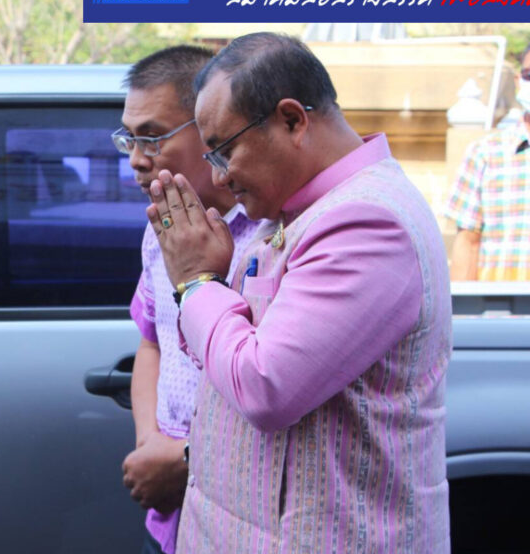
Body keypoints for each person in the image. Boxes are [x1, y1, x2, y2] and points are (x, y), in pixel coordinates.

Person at [147, 33, 451, 552]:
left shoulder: (367, 221)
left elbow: (264, 385)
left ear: (291, 119)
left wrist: (197, 282)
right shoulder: (295, 211)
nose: (218, 176)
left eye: (224, 149)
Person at [113, 46, 261, 554]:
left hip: (235, 509)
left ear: (210, 128)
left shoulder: (266, 234)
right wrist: (150, 444)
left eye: (152, 138)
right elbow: (151, 343)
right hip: (169, 517)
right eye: (129, 139)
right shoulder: (162, 228)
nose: (137, 158)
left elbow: (271, 385)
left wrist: (186, 460)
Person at [445, 43, 530, 281]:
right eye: (529, 75)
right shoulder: (486, 154)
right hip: (502, 302)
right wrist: (462, 303)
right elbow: (468, 242)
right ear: (518, 81)